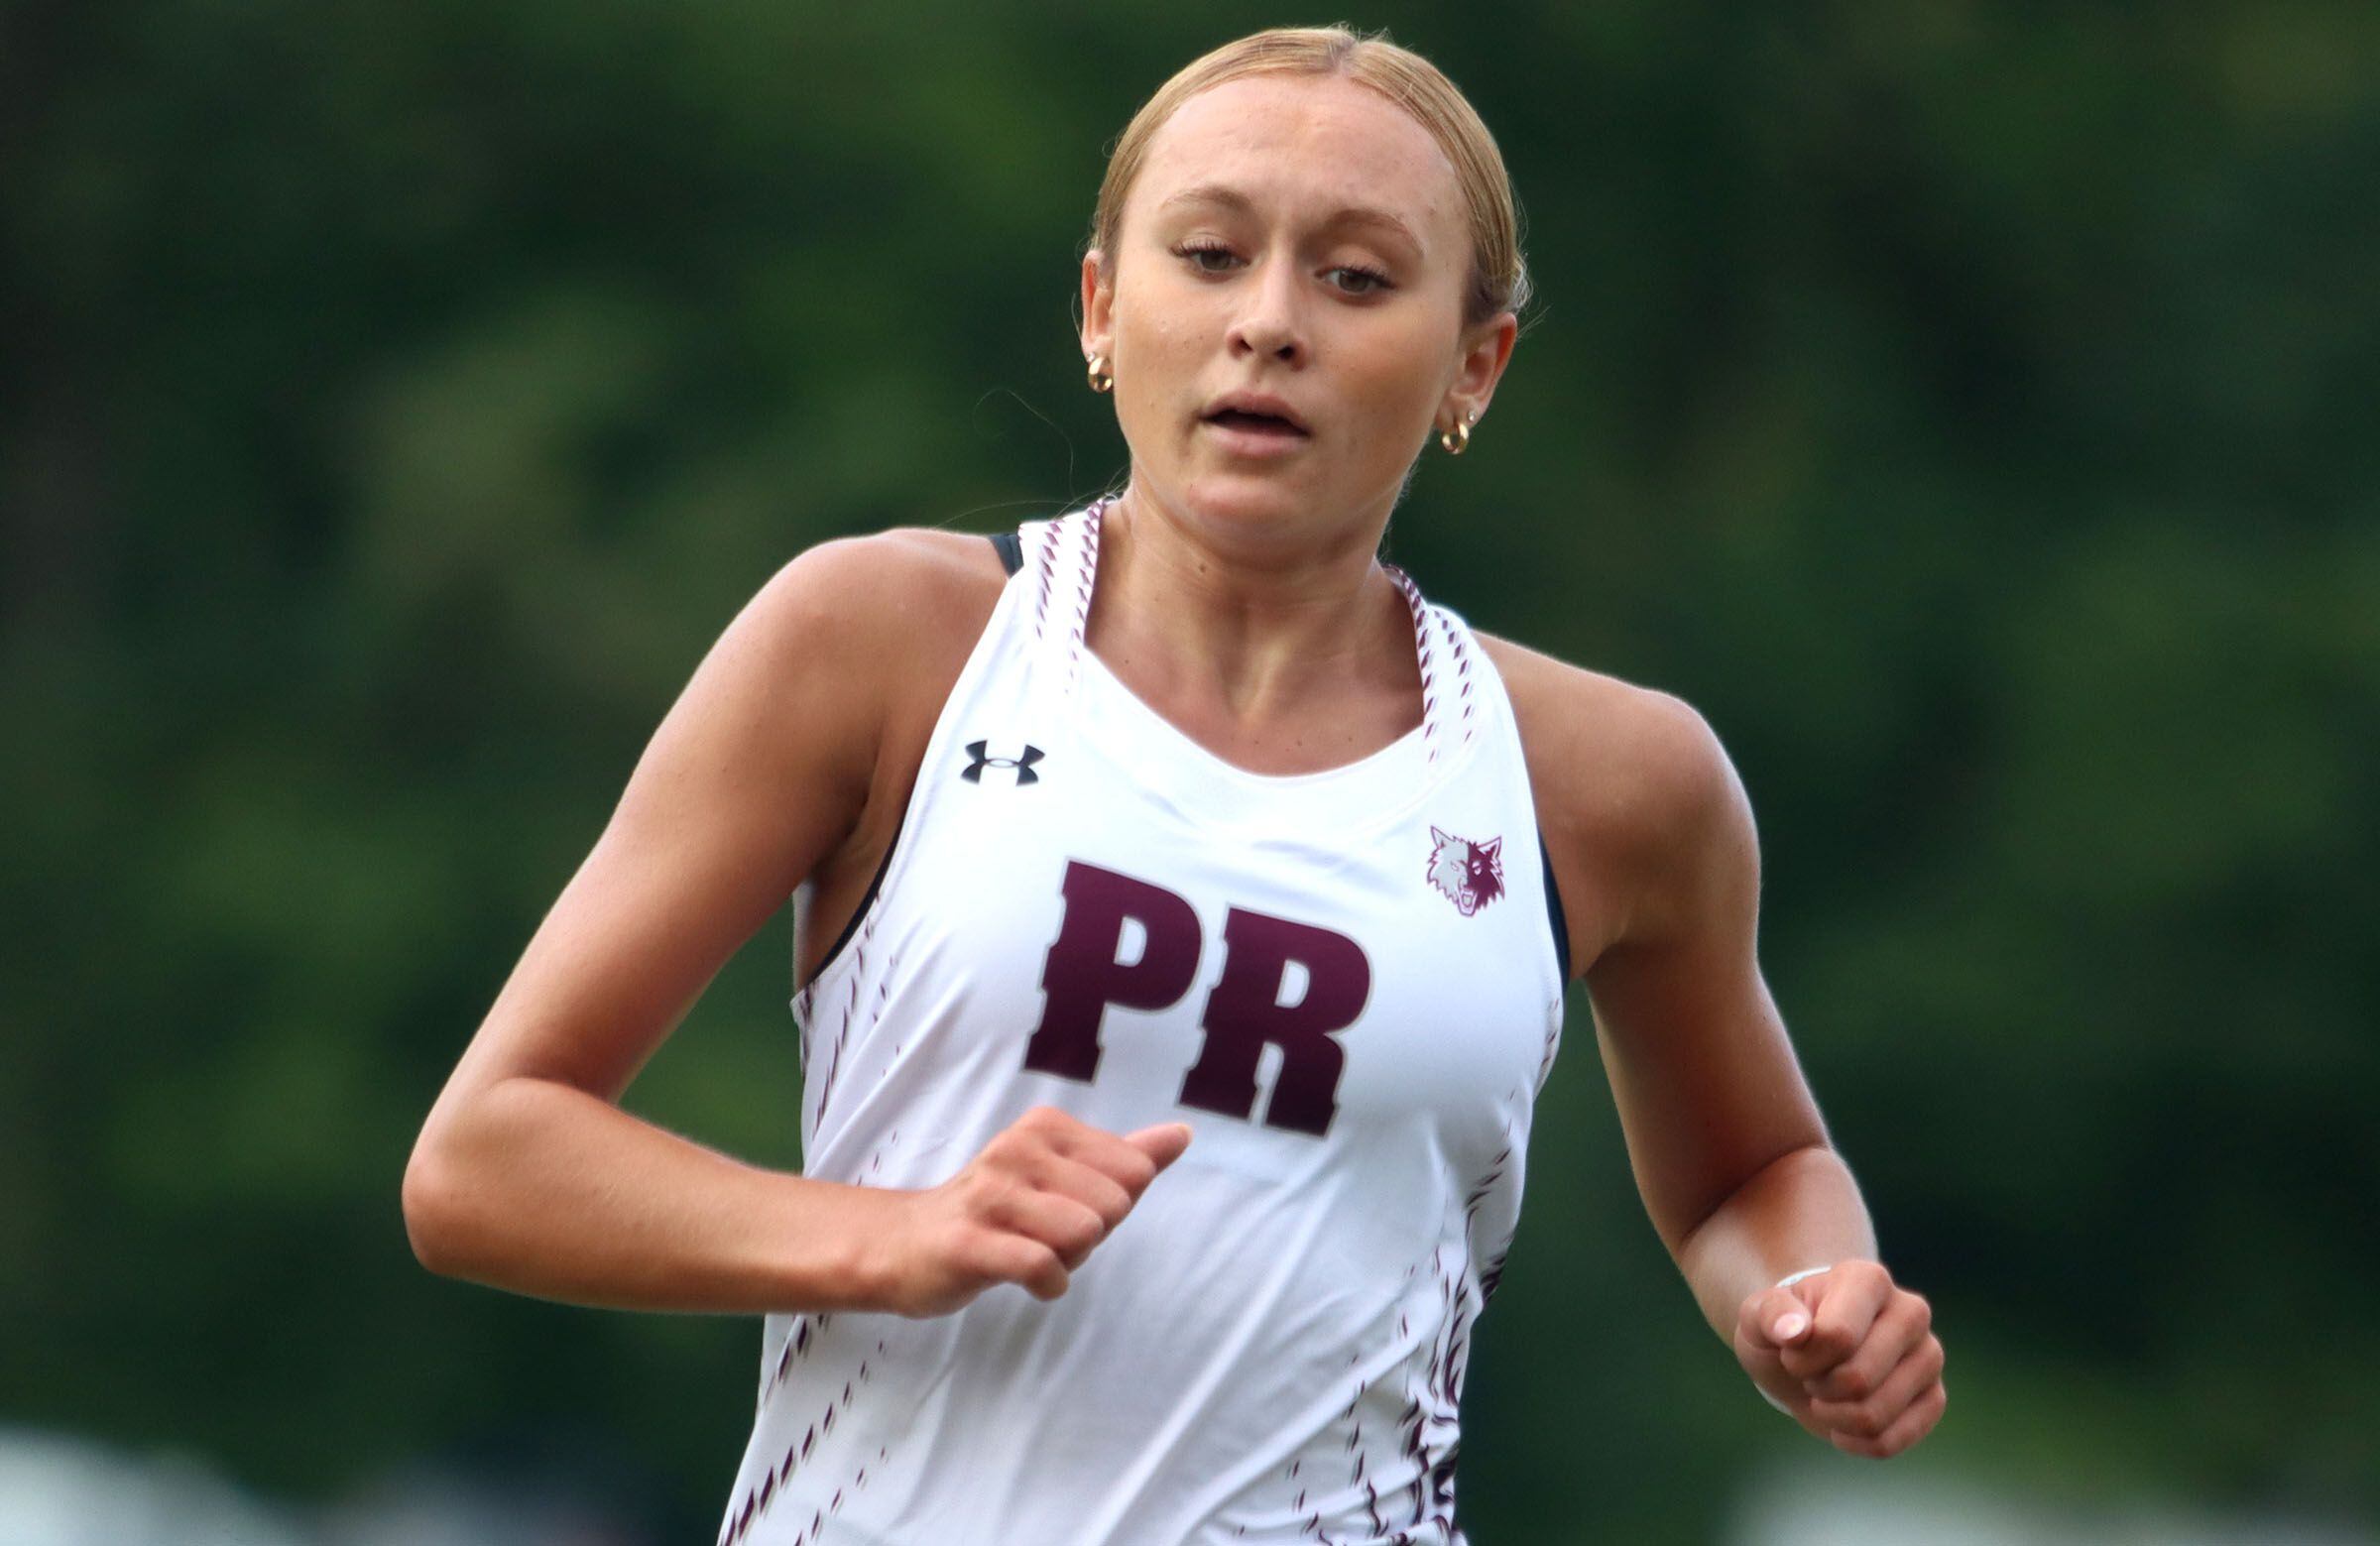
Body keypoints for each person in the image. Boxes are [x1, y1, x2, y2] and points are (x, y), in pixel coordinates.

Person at [402, 24, 1946, 1545]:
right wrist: (888, 1236)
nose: (1269, 322)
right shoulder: (883, 643)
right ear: (1099, 305)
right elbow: (486, 1157)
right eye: (1209, 255)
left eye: (1355, 277)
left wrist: (1808, 1301)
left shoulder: (1613, 779)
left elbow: (1753, 1171)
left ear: (1478, 362)